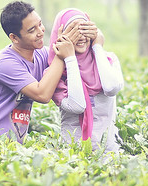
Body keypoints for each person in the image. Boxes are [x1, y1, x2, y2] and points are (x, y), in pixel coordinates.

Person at [0, 1, 75, 145]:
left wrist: (92, 38)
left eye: (40, 24)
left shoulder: (41, 54)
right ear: (14, 38)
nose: (40, 31)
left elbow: (68, 63)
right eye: (32, 30)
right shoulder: (4, 63)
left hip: (12, 149)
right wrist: (61, 56)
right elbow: (42, 94)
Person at [44, 8, 124, 152]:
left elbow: (111, 88)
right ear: (60, 36)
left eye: (84, 29)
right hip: (73, 154)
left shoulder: (108, 60)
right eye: (73, 31)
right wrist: (69, 58)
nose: (80, 36)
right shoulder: (55, 74)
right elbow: (77, 105)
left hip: (108, 151)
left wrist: (98, 47)